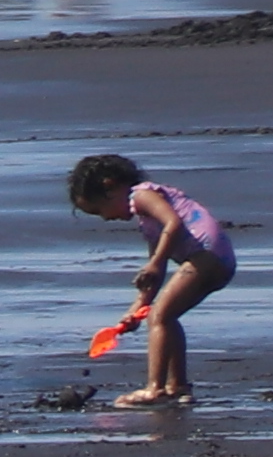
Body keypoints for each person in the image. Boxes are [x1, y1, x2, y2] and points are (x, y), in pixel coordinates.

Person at [68, 150, 232, 410]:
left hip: (206, 256)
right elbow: (155, 272)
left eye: (99, 209)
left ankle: (155, 388)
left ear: (110, 186)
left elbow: (174, 224)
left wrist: (155, 263)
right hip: (216, 260)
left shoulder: (142, 195)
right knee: (166, 316)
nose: (105, 218)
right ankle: (178, 386)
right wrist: (136, 310)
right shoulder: (148, 223)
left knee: (160, 317)